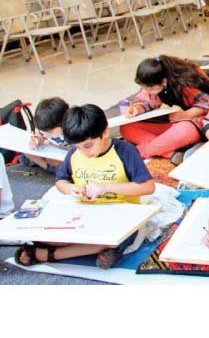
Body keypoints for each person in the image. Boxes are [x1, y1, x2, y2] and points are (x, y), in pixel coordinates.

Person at [14, 104, 155, 269]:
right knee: (42, 233)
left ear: (105, 132)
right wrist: (70, 189)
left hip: (119, 215)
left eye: (88, 145)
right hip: (85, 215)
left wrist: (107, 187)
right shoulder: (75, 153)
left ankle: (50, 254)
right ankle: (96, 249)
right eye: (77, 146)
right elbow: (61, 182)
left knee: (114, 238)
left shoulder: (124, 151)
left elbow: (148, 187)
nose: (83, 151)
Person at [120, 56, 209, 162]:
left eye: (151, 88)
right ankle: (171, 153)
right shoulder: (154, 84)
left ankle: (136, 153)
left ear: (164, 82)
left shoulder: (185, 81)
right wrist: (137, 109)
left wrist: (186, 115)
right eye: (144, 87)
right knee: (127, 127)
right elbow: (149, 103)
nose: (147, 91)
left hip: (194, 122)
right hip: (174, 122)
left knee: (184, 129)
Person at [24, 97, 69, 172]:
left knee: (57, 161)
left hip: (63, 155)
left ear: (63, 124)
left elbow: (75, 150)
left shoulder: (71, 131)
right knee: (26, 152)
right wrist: (36, 140)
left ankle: (50, 168)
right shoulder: (46, 127)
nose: (45, 135)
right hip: (50, 152)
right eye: (43, 131)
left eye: (49, 132)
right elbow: (40, 135)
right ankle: (49, 167)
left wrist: (59, 147)